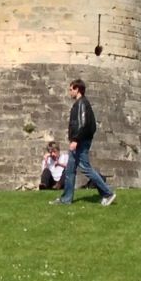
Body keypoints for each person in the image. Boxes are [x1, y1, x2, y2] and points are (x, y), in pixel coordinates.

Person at [54, 78, 116, 206]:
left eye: (71, 89)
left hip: (80, 142)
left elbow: (83, 124)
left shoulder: (82, 104)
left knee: (86, 168)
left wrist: (76, 139)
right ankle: (66, 198)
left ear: (77, 90)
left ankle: (107, 192)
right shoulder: (80, 104)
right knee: (70, 170)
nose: (69, 92)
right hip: (78, 140)